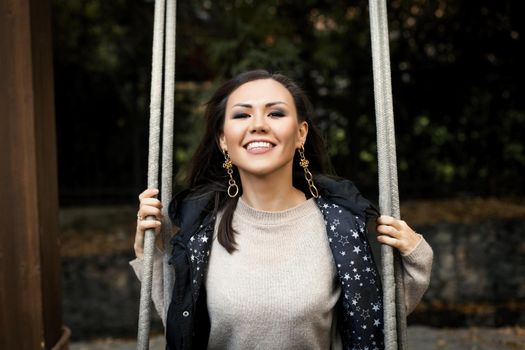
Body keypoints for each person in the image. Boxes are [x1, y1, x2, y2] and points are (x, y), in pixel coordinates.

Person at [131, 70, 433, 350]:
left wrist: (416, 257)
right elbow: (182, 318)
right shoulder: (202, 228)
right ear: (223, 139)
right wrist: (149, 255)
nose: (258, 124)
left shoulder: (339, 227)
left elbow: (373, 319)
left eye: (275, 113)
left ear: (301, 133)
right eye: (241, 115)